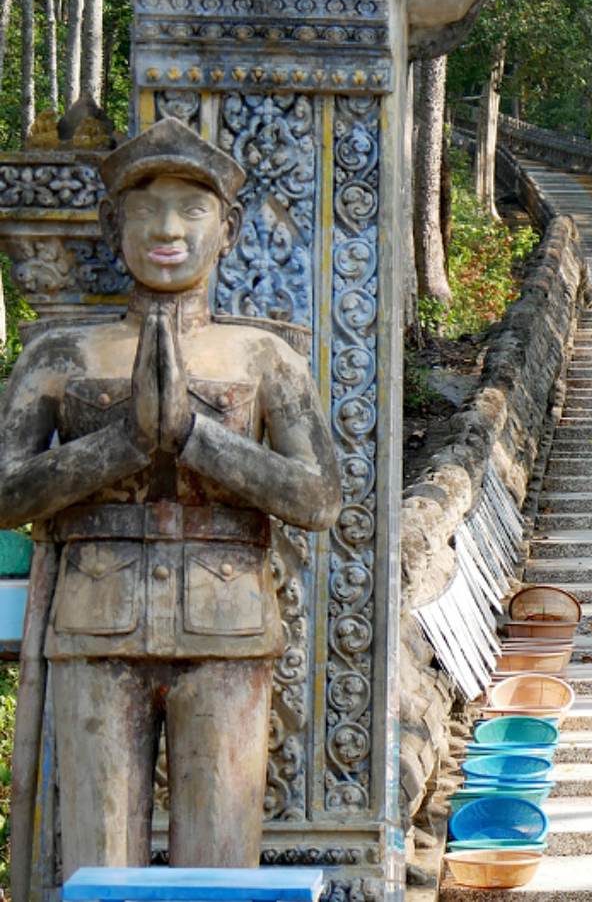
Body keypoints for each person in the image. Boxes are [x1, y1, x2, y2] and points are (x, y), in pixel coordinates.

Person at [0, 118, 342, 874]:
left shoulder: (264, 356)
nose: (166, 229)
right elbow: (5, 492)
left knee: (219, 863)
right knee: (97, 862)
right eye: (145, 208)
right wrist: (118, 444)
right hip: (94, 625)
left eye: (191, 209)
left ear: (229, 229)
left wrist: (196, 437)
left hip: (227, 627)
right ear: (111, 223)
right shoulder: (60, 353)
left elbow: (319, 497)